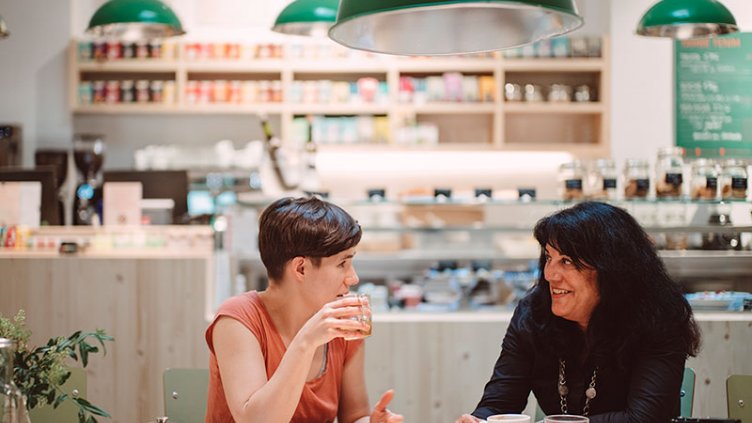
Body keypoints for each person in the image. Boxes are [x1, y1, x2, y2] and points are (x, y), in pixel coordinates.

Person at [456, 201, 701, 423]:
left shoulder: (659, 318)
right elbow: (500, 403)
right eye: (549, 258)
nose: (550, 274)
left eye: (567, 261)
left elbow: (645, 419)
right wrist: (480, 420)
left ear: (612, 270)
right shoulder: (533, 314)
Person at [206, 196, 403, 423]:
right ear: (301, 268)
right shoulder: (238, 319)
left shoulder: (342, 325)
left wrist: (371, 422)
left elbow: (354, 416)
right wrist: (307, 341)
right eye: (342, 264)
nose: (353, 278)